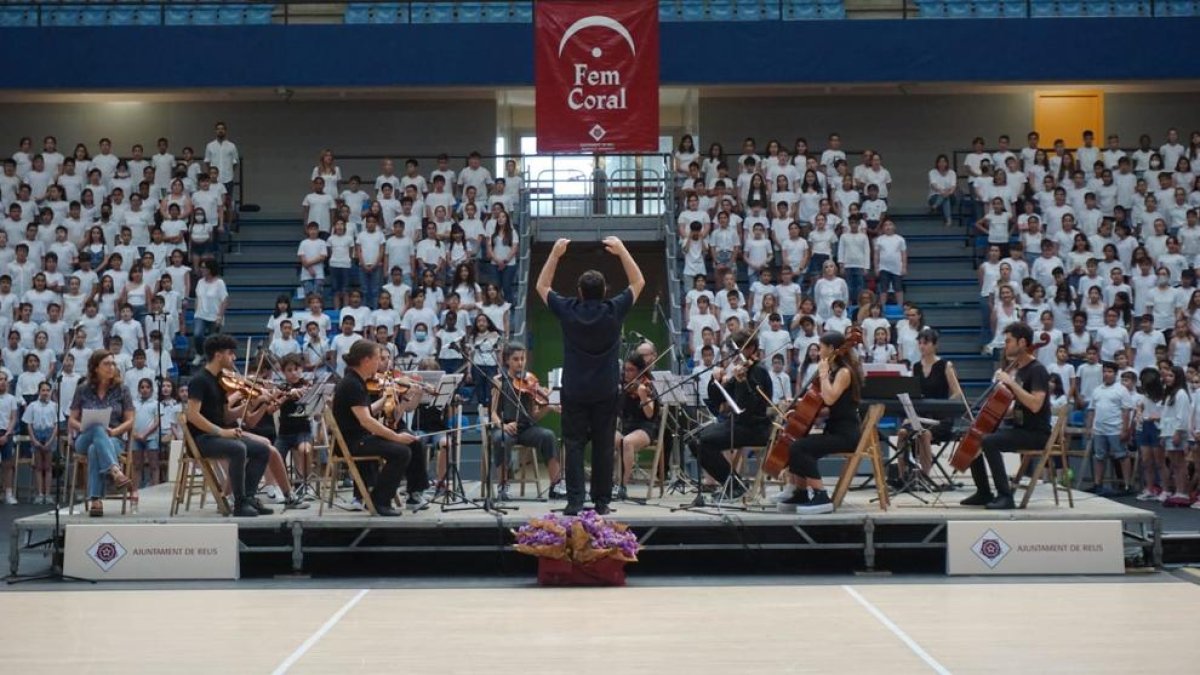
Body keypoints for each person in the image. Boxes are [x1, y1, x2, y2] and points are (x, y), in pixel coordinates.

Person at [536, 236, 643, 515]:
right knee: (604, 446)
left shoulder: (569, 309)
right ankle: (601, 502)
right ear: (605, 291)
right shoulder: (614, 309)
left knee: (573, 445)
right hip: (606, 390)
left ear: (580, 292)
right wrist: (621, 250)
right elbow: (638, 282)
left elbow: (542, 286)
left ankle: (574, 501)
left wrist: (556, 254)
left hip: (575, 389)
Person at [961, 323, 1051, 510]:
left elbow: (1035, 405)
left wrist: (1010, 382)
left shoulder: (1037, 370)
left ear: (1023, 342)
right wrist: (992, 411)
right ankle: (984, 492)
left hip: (1036, 433)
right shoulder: (1019, 370)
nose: (1006, 345)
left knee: (989, 442)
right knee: (976, 434)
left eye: (1009, 341)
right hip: (1020, 427)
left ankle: (1005, 496)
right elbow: (1018, 405)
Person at [184, 334, 273, 518]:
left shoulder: (220, 381)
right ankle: (239, 503)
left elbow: (225, 415)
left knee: (263, 449)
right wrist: (222, 432)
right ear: (218, 355)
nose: (234, 358)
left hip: (217, 436)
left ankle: (249, 497)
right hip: (201, 439)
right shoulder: (199, 380)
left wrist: (249, 404)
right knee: (238, 448)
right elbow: (192, 415)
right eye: (230, 353)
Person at [331, 340, 422, 517]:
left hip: (361, 438)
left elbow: (366, 412)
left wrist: (390, 399)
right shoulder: (352, 384)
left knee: (409, 445)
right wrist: (396, 437)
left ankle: (413, 493)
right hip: (353, 442)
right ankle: (380, 501)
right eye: (377, 358)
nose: (381, 363)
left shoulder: (356, 381)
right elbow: (367, 421)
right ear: (366, 360)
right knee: (401, 452)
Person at [779, 331, 863, 514]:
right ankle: (800, 492)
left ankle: (820, 495)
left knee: (799, 448)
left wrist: (824, 374)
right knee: (794, 443)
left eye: (822, 347)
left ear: (831, 349)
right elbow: (830, 407)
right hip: (834, 430)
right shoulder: (836, 371)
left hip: (846, 435)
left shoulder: (844, 372)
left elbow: (830, 398)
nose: (818, 351)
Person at [687, 330, 772, 500]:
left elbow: (752, 405)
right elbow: (718, 400)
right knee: (693, 439)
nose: (732, 355)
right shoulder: (742, 370)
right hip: (737, 424)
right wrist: (715, 381)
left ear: (750, 349)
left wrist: (742, 383)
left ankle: (733, 485)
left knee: (701, 442)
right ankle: (734, 484)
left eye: (736, 350)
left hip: (754, 427)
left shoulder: (758, 371)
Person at [489, 343, 561, 503]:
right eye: (516, 359)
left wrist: (548, 407)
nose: (520, 363)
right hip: (505, 427)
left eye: (522, 359)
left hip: (526, 429)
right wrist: (503, 425)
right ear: (507, 360)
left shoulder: (530, 381)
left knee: (548, 436)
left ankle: (555, 486)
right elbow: (492, 412)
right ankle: (502, 486)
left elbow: (533, 416)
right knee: (501, 439)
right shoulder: (499, 381)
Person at [68, 350, 134, 517]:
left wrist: (115, 431)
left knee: (94, 449)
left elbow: (130, 420)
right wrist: (82, 427)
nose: (111, 367)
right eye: (106, 364)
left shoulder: (122, 390)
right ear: (95, 367)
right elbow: (72, 420)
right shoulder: (83, 389)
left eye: (113, 364)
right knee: (97, 427)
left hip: (113, 439)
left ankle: (95, 500)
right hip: (85, 436)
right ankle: (115, 470)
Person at [895, 329, 964, 482]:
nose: (922, 346)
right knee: (902, 432)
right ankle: (902, 476)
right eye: (919, 343)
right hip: (921, 415)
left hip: (941, 417)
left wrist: (942, 406)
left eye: (925, 343)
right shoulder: (916, 367)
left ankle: (925, 476)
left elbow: (957, 393)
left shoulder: (945, 365)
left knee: (924, 434)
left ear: (935, 345)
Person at [1084, 361, 1133, 497]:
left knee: (1122, 456)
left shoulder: (1121, 390)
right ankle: (1098, 484)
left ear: (1115, 374)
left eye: (1110, 371)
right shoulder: (1097, 390)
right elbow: (1091, 410)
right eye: (1105, 371)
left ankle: (1127, 485)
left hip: (1115, 429)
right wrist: (1089, 427)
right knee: (1099, 457)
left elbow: (1126, 411)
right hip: (1099, 429)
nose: (1106, 374)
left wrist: (1125, 429)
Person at [614, 357, 659, 500]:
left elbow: (650, 414)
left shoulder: (647, 386)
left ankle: (622, 485)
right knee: (605, 436)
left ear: (640, 371)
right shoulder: (623, 386)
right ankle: (607, 483)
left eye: (631, 370)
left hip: (645, 428)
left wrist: (643, 397)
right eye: (625, 370)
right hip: (626, 427)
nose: (627, 373)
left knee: (626, 442)